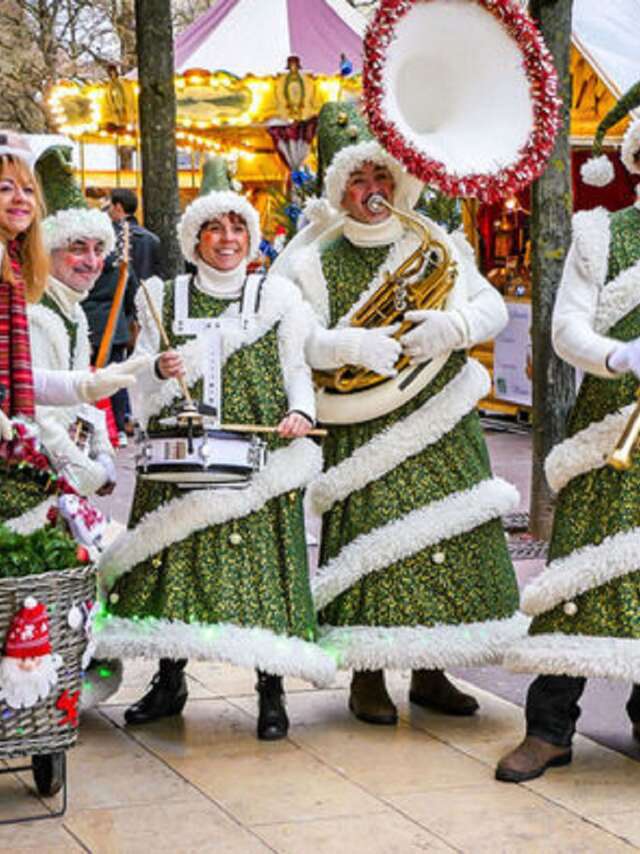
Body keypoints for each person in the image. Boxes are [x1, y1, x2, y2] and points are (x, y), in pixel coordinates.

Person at [280, 103, 523, 726]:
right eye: (360, 181)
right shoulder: (316, 257)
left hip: (440, 415)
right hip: (364, 423)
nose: (374, 192)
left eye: (383, 179)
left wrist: (454, 325)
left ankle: (432, 669)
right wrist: (344, 346)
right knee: (371, 546)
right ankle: (367, 674)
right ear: (340, 190)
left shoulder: (433, 241)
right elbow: (291, 335)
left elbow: (491, 307)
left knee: (442, 538)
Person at [95, 157, 335, 740]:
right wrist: (157, 364)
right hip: (179, 448)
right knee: (175, 565)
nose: (227, 240)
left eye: (237, 229)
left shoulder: (276, 295)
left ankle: (270, 688)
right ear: (194, 237)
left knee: (259, 568)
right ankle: (169, 678)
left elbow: (295, 365)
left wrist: (301, 410)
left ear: (250, 238)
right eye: (215, 228)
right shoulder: (163, 294)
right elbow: (139, 373)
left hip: (255, 454)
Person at [497, 84, 640, 783]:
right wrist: (620, 355)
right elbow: (564, 329)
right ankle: (550, 727)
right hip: (611, 431)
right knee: (580, 572)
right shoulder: (601, 234)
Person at [0, 131, 141, 529]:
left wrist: (88, 393)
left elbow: (28, 384)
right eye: (77, 248)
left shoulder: (70, 312)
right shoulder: (34, 309)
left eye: (28, 190)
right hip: (26, 475)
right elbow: (41, 419)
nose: (92, 262)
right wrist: (89, 472)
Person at [82, 221, 139, 447]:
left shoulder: (86, 264)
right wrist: (125, 320)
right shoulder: (120, 266)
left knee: (88, 379)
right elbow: (131, 295)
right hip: (114, 327)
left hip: (89, 324)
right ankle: (118, 426)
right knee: (115, 380)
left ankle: (91, 429)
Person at [109, 188, 162, 281]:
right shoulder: (153, 239)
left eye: (110, 206)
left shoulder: (110, 237)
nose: (108, 211)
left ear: (118, 207)